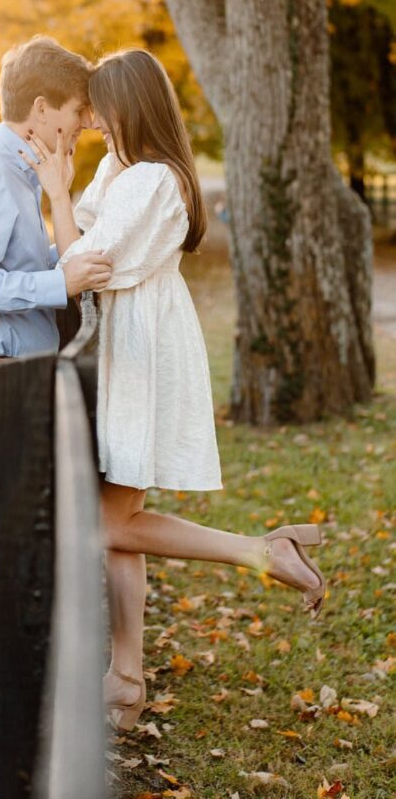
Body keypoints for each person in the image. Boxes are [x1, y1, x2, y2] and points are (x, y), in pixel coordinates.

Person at [21, 47, 326, 732]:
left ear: (130, 104)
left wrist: (59, 196)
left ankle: (262, 552)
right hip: (122, 342)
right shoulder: (120, 169)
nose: (92, 119)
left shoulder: (155, 179)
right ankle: (125, 678)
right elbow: (74, 251)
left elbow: (83, 262)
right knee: (118, 518)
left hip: (141, 348)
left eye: (100, 106)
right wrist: (69, 201)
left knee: (109, 519)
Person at [0, 35, 112, 799]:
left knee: (7, 573)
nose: (77, 129)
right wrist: (55, 282)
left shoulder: (22, 175)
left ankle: (1, 725)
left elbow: (18, 272)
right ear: (41, 110)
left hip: (17, 386)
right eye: (72, 115)